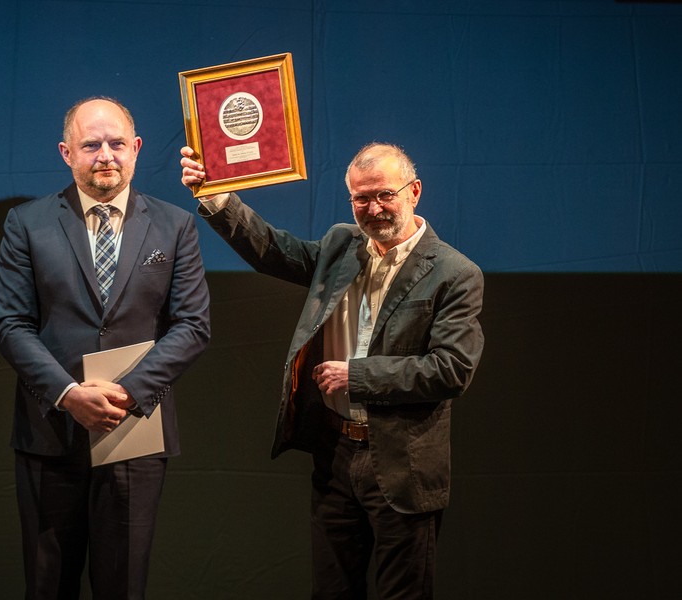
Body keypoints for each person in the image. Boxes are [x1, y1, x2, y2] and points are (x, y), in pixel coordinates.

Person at [180, 142, 483, 599]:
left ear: (414, 191)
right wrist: (217, 196)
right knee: (331, 591)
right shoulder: (342, 244)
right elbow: (272, 251)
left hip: (403, 466)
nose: (374, 208)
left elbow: (451, 369)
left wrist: (356, 376)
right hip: (336, 454)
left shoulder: (455, 273)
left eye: (384, 194)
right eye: (361, 198)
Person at [0, 97, 210, 600]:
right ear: (67, 152)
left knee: (123, 586)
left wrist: (125, 394)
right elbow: (11, 324)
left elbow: (193, 326)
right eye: (91, 145)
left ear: (136, 149)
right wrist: (70, 394)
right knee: (49, 585)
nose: (105, 155)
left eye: (116, 143)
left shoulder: (175, 225)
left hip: (132, 431)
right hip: (51, 434)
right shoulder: (27, 224)